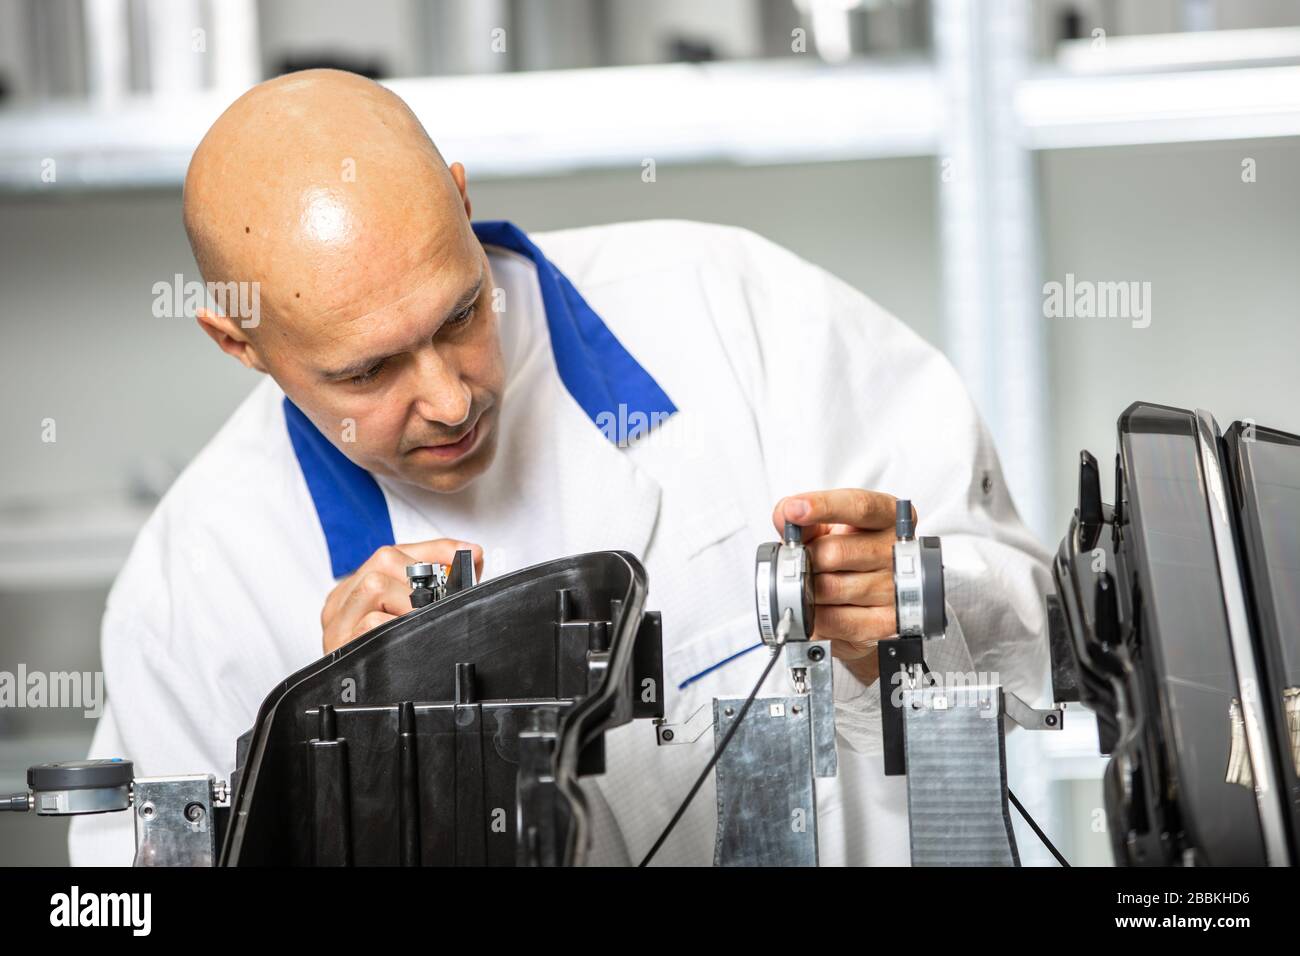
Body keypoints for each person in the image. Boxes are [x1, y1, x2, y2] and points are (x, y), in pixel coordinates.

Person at [69, 69, 1050, 866]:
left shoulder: (733, 312)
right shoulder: (194, 584)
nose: (449, 398)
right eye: (367, 370)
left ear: (460, 199)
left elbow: (1034, 642)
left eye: (458, 314)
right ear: (238, 342)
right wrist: (333, 782)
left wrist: (910, 617)